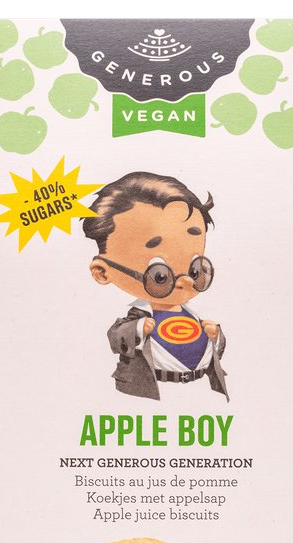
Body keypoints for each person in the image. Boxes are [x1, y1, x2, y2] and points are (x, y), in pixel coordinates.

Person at [83, 172, 228, 401]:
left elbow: (215, 351)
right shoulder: (138, 320)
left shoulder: (193, 315)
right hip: (150, 394)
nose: (186, 281)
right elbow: (116, 337)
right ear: (102, 272)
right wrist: (139, 328)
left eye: (196, 271)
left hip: (199, 392)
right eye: (160, 276)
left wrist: (216, 336)